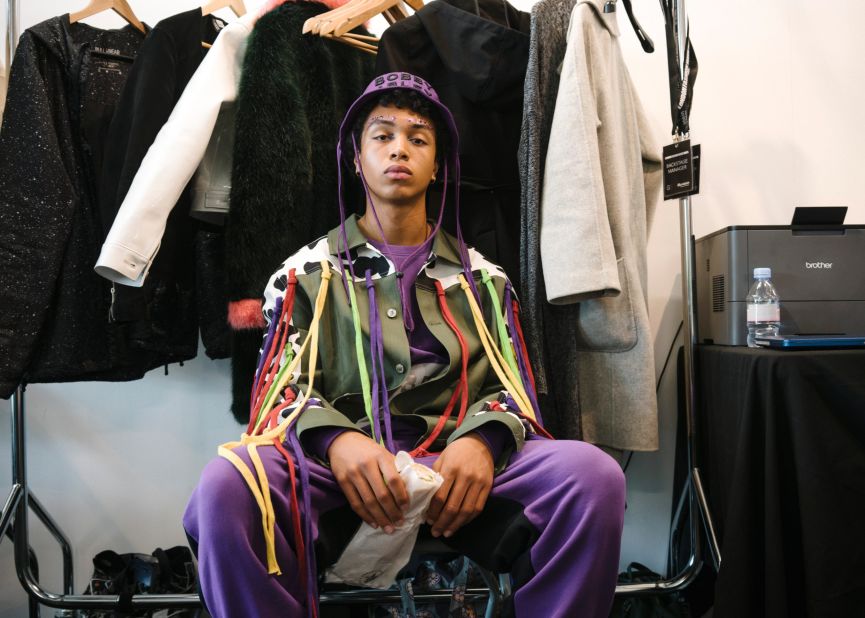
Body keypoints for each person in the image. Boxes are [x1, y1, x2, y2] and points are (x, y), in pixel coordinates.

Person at [183, 72, 626, 618]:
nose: (400, 148)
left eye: (418, 138)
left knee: (593, 477)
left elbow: (515, 392)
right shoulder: (301, 276)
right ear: (355, 157)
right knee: (226, 484)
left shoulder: (485, 281)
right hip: (337, 476)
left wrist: (483, 441)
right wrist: (336, 443)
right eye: (382, 135)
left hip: (461, 478)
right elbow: (277, 395)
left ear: (437, 164)